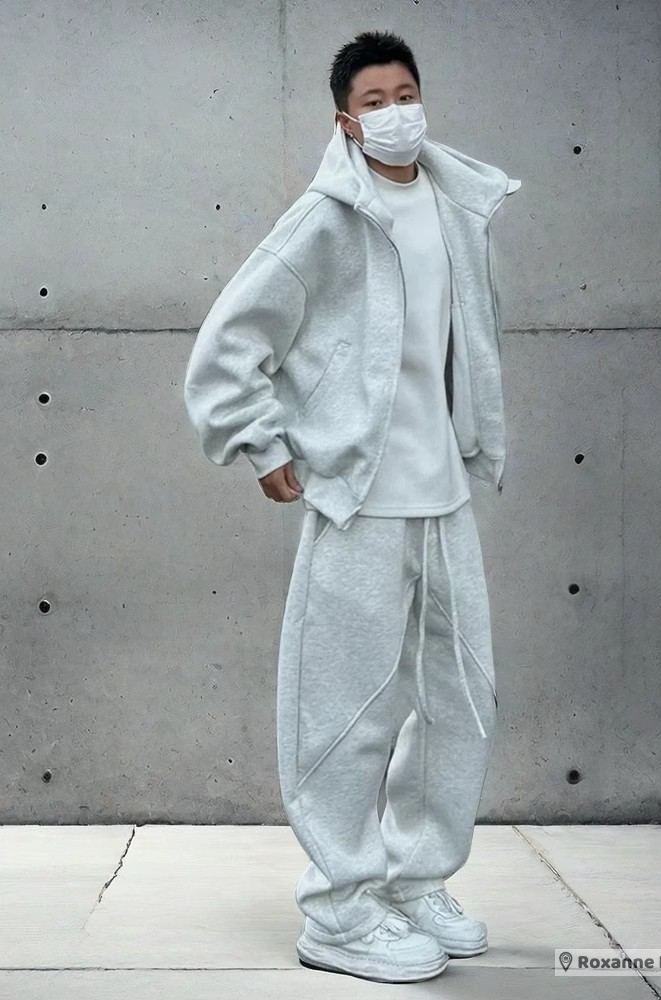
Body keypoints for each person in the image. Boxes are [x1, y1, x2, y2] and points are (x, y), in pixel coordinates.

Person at [183, 29, 521, 985]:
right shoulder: (325, 220)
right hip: (358, 499)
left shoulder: (456, 204)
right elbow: (229, 343)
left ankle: (414, 881)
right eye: (375, 101)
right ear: (346, 121)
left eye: (405, 93)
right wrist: (262, 442)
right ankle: (339, 910)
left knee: (460, 702)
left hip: (443, 493)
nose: (396, 111)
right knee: (345, 707)